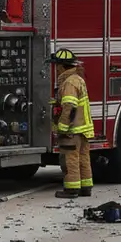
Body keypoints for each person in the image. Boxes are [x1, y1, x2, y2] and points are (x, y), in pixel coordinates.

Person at [50, 48, 94, 199]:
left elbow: (69, 106)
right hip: (82, 129)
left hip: (72, 130)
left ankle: (71, 189)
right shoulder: (78, 79)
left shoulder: (69, 83)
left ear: (62, 67)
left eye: (56, 66)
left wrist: (62, 127)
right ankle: (86, 187)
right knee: (83, 158)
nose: (55, 70)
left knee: (70, 160)